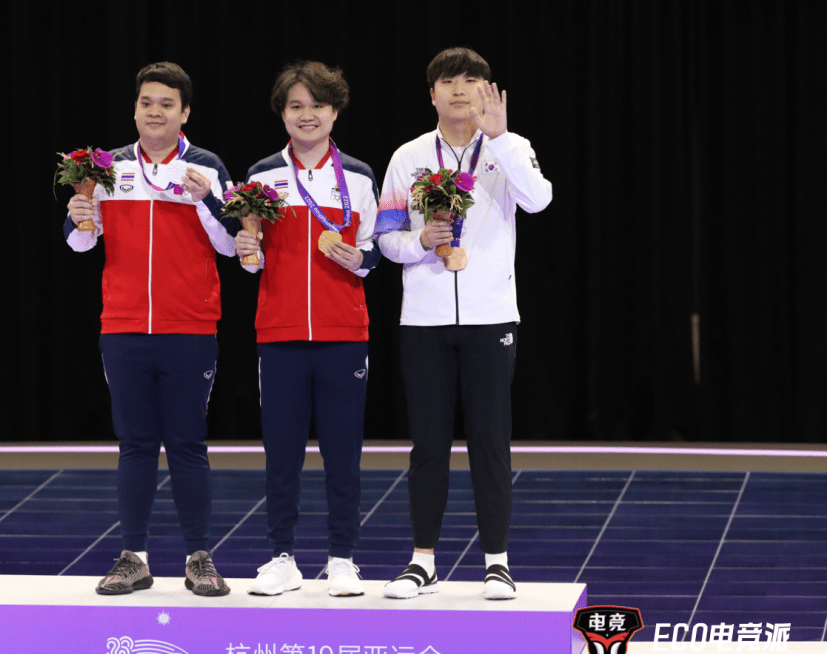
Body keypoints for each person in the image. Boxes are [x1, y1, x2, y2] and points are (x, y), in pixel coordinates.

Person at [375, 47, 552, 600]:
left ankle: (497, 562)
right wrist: (419, 242)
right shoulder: (408, 157)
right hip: (423, 320)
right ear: (431, 94)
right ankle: (422, 561)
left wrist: (501, 140)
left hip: (491, 316)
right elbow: (386, 237)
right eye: (447, 81)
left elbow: (539, 201)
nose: (459, 90)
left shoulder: (510, 147)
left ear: (486, 91)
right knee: (428, 444)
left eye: (471, 80)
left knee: (490, 442)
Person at [64, 62, 236, 597]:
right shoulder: (107, 168)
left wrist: (207, 199)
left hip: (190, 327)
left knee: (187, 443)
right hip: (124, 327)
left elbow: (233, 245)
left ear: (185, 113)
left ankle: (199, 558)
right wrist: (79, 211)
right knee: (135, 443)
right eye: (146, 103)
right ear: (134, 110)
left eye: (166, 103)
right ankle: (133, 558)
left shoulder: (206, 166)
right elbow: (79, 243)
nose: (155, 112)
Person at [234, 61, 380, 597]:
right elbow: (252, 259)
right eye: (295, 105)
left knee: (343, 454)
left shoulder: (359, 176)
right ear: (283, 114)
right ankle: (282, 558)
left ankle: (343, 558)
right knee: (282, 453)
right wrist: (246, 252)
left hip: (344, 334)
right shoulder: (261, 176)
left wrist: (359, 258)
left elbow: (377, 250)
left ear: (334, 111)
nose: (307, 115)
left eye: (317, 104)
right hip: (280, 333)